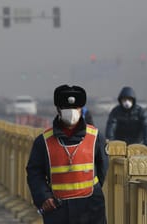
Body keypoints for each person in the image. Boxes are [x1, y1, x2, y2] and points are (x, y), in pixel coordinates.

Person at [26, 84, 109, 224]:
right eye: (66, 108)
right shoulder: (44, 141)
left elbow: (102, 169)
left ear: (81, 109)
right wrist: (44, 197)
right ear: (58, 110)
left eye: (75, 108)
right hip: (58, 209)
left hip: (90, 207)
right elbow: (35, 173)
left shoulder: (95, 137)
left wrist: (92, 191)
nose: (71, 112)